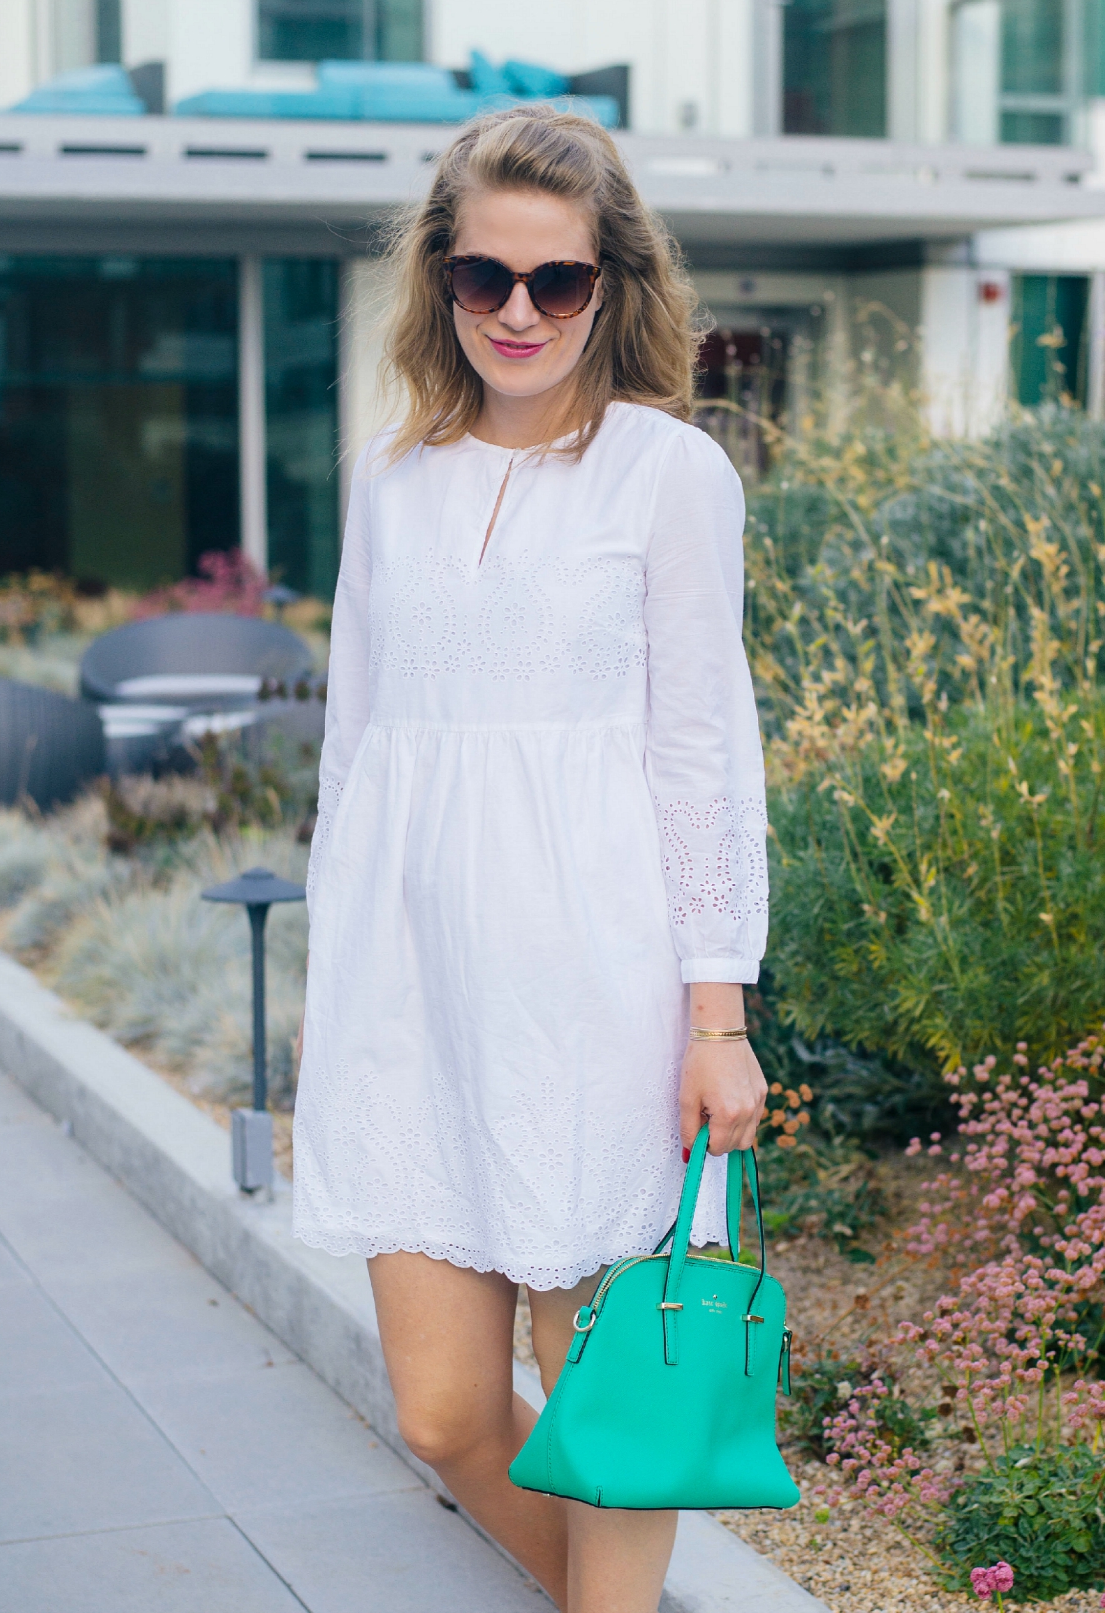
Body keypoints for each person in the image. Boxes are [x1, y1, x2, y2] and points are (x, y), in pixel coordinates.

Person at [291, 108, 770, 1613]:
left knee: (600, 1412)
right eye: (484, 276)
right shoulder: (389, 477)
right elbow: (356, 750)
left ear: (611, 288)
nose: (517, 312)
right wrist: (331, 989)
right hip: (411, 995)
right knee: (441, 1409)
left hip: (599, 996)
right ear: (438, 280)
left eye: (555, 283)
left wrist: (718, 1014)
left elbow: (704, 753)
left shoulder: (669, 475)